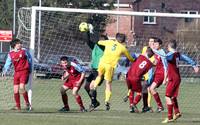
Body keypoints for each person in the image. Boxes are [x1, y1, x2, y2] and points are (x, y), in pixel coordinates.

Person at [153, 40, 199, 123]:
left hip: (173, 79)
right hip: (177, 78)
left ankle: (170, 117)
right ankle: (177, 112)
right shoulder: (178, 54)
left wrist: (154, 50)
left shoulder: (170, 55)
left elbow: (164, 55)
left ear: (169, 47)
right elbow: (186, 58)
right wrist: (194, 64)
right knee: (172, 96)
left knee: (167, 97)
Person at [90, 33, 135, 111]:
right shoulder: (123, 48)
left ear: (116, 38)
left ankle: (94, 87)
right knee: (108, 83)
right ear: (123, 40)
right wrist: (135, 60)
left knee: (99, 76)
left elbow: (99, 42)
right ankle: (107, 101)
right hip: (110, 66)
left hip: (102, 63)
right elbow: (130, 58)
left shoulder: (109, 42)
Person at [3, 38, 32, 111]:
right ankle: (18, 106)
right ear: (14, 45)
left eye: (20, 43)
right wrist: (5, 70)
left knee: (22, 88)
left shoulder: (24, 51)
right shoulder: (10, 54)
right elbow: (8, 63)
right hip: (16, 73)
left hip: (24, 71)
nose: (20, 44)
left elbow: (30, 59)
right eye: (18, 43)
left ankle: (27, 103)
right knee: (15, 90)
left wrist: (30, 69)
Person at [84, 31, 108, 111]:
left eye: (103, 40)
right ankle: (94, 102)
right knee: (86, 86)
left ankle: (94, 103)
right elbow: (87, 41)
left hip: (100, 71)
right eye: (99, 40)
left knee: (92, 86)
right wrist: (86, 31)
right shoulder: (95, 46)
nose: (100, 41)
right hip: (93, 70)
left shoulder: (104, 48)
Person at [126, 47, 154, 113]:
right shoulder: (149, 63)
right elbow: (151, 67)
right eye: (152, 53)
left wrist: (127, 62)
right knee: (140, 92)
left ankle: (139, 106)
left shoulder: (140, 56)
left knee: (132, 90)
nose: (153, 54)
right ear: (149, 52)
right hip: (136, 78)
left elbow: (133, 56)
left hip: (128, 76)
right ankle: (133, 104)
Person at [149, 38, 168, 113]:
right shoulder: (157, 53)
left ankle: (160, 106)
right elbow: (156, 63)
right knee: (149, 89)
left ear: (160, 45)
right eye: (154, 44)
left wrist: (165, 78)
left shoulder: (162, 52)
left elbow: (166, 66)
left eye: (156, 44)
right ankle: (154, 106)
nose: (155, 45)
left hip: (161, 74)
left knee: (151, 88)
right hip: (157, 73)